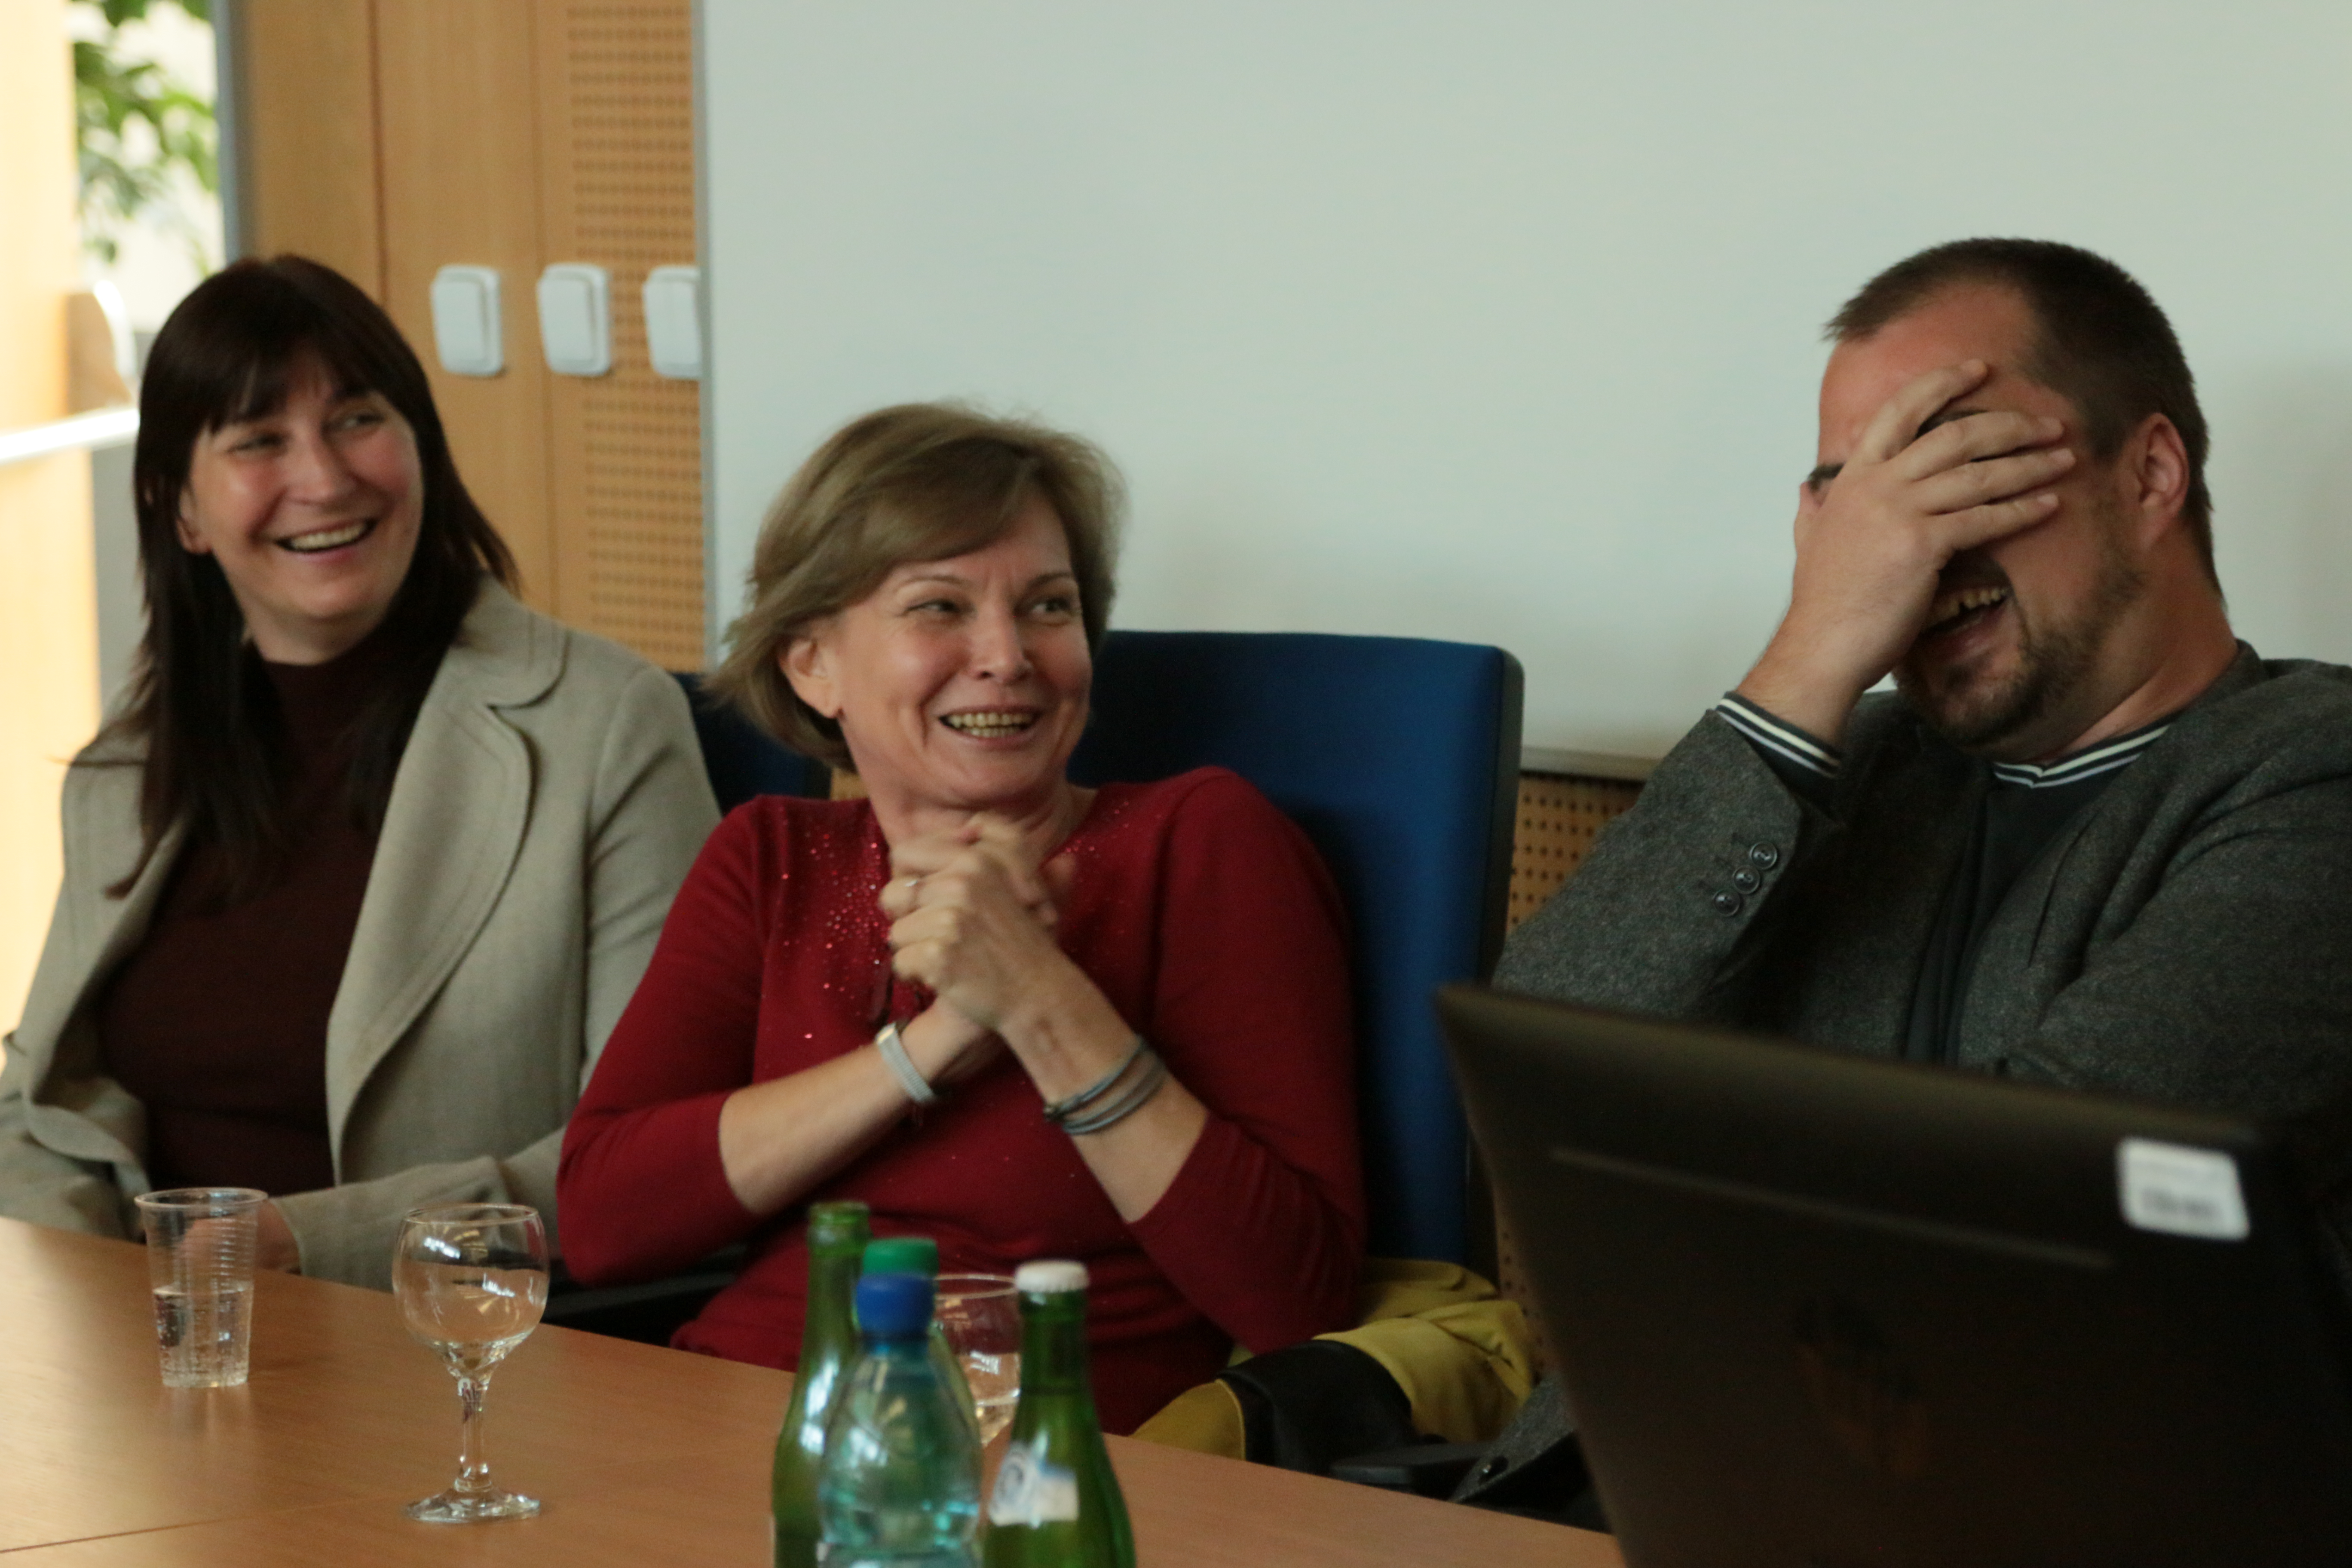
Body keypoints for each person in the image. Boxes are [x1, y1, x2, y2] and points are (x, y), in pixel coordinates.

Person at [1466, 237, 2352, 1514]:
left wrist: (1691, 1177)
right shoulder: (1835, 761)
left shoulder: (2313, 776)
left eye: (1957, 465)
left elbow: (2032, 1215)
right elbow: (1543, 1073)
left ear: (2151, 475)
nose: (1909, 544)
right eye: (1859, 499)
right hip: (1655, 1485)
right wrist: (1810, 657)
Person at [558, 403, 1363, 1434]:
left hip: (1030, 1459)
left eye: (1048, 607)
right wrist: (928, 1049)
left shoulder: (1198, 842)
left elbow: (1295, 1298)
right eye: (939, 607)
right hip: (737, 1424)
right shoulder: (772, 857)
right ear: (812, 663)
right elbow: (603, 1224)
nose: (1007, 655)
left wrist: (1038, 999)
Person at [0, 256, 718, 1288]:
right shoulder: (129, 765)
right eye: (260, 441)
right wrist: (92, 1284)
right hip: (143, 1336)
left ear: (422, 447)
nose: (326, 478)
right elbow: (40, 1102)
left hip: (440, 1338)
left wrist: (315, 1243)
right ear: (182, 510)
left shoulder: (601, 727)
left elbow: (662, 1150)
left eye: (357, 420)